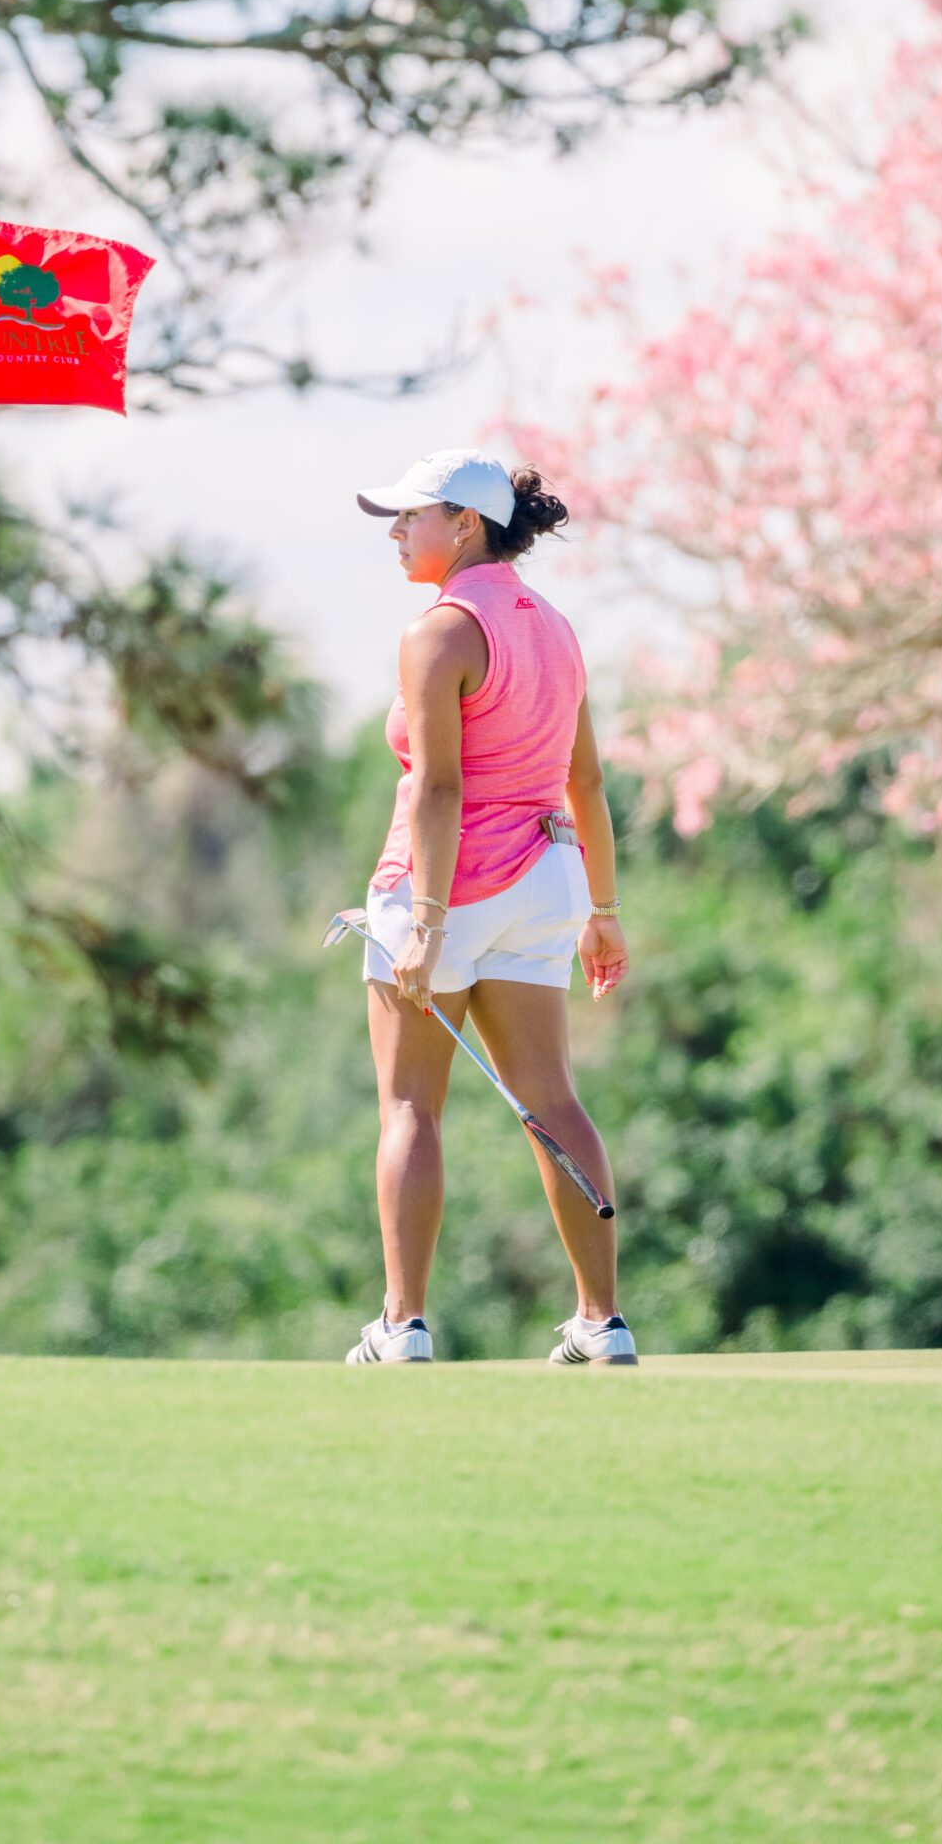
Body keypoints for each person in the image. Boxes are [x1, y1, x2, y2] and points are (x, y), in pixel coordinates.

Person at [344, 447, 636, 1369]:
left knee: (409, 1110)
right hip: (547, 881)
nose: (395, 534)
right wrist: (604, 907)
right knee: (551, 1098)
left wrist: (423, 923)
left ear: (464, 523)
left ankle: (402, 1326)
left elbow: (437, 789)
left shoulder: (438, 631)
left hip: (445, 888)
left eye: (410, 517)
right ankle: (602, 1321)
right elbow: (584, 779)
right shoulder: (554, 625)